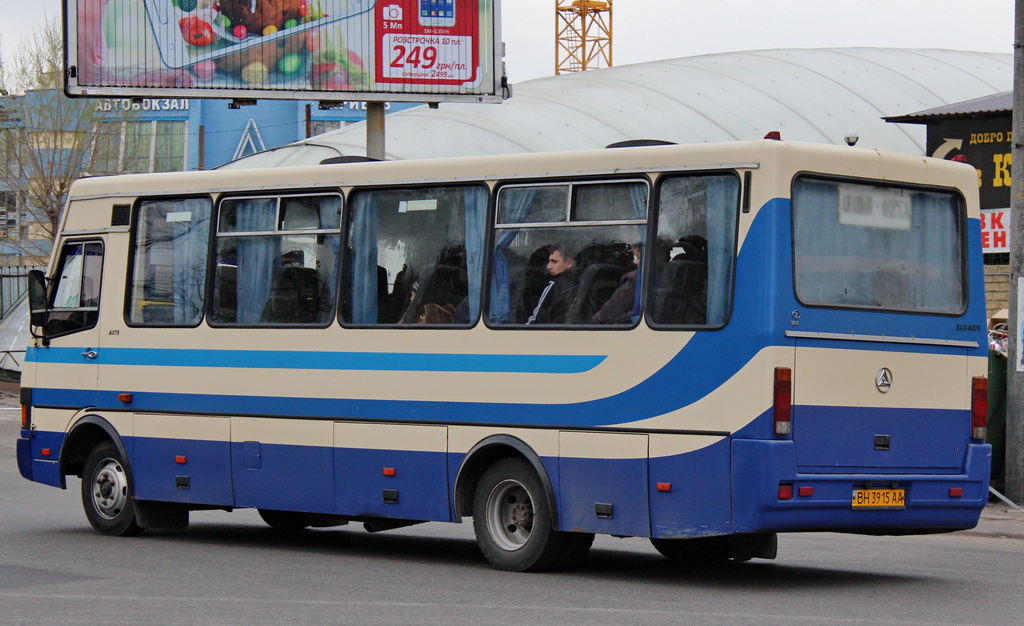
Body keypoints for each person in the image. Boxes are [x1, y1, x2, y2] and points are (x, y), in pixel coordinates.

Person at [526, 244, 578, 324]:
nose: (548, 267)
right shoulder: (581, 281)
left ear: (569, 263)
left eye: (554, 262)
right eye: (549, 261)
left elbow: (537, 320)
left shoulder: (555, 286)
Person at [590, 244, 642, 324]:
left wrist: (592, 322)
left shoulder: (636, 280)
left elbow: (609, 312)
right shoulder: (662, 278)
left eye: (639, 257)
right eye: (635, 257)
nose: (635, 262)